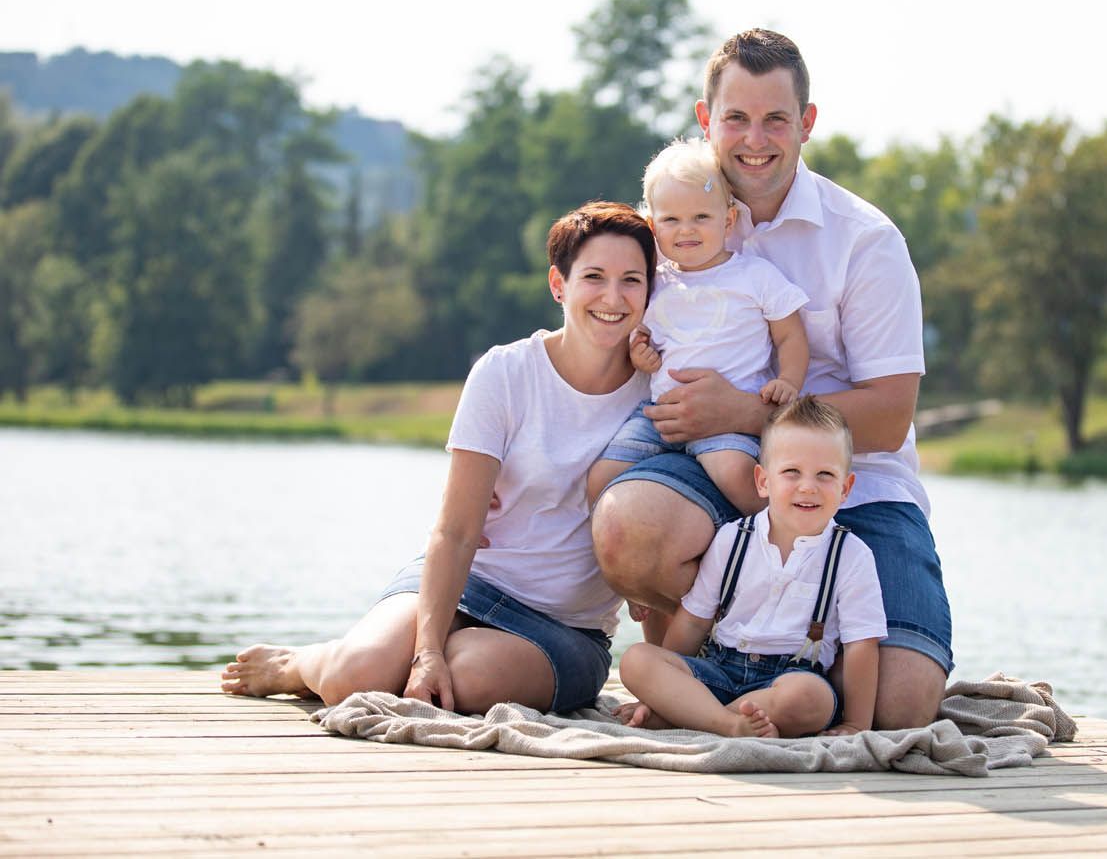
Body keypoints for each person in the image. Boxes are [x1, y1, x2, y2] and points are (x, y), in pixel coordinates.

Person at [592, 29, 954, 729]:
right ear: (707, 120)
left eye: (775, 120)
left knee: (902, 707)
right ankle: (701, 673)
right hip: (716, 471)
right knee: (629, 526)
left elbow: (887, 417)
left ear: (806, 124)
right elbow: (604, 331)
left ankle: (756, 686)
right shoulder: (673, 225)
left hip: (858, 485)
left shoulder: (865, 242)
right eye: (735, 118)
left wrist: (747, 413)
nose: (754, 139)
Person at [221, 201, 655, 715]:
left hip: (564, 629)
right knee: (356, 677)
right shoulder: (505, 374)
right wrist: (425, 651)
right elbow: (454, 530)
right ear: (558, 285)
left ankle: (412, 655)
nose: (613, 296)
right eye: (594, 277)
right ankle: (299, 664)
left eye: (632, 280)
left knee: (467, 679)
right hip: (470, 581)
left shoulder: (659, 388)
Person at [617, 396, 884, 738]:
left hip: (787, 681)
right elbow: (694, 620)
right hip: (719, 671)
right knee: (637, 660)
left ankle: (691, 715)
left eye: (825, 475)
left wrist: (856, 724)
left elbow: (862, 645)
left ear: (845, 488)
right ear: (763, 481)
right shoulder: (733, 539)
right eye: (791, 472)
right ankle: (727, 723)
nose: (808, 486)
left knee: (811, 699)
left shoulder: (851, 555)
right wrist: (659, 688)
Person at [586, 137, 809, 517]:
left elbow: (790, 335)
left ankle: (771, 545)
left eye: (701, 218)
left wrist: (788, 380)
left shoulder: (754, 276)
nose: (686, 230)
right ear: (654, 227)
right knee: (600, 478)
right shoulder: (655, 283)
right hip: (659, 413)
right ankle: (601, 570)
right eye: (672, 220)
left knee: (742, 479)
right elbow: (644, 339)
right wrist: (641, 354)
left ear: (728, 219)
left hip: (727, 421)